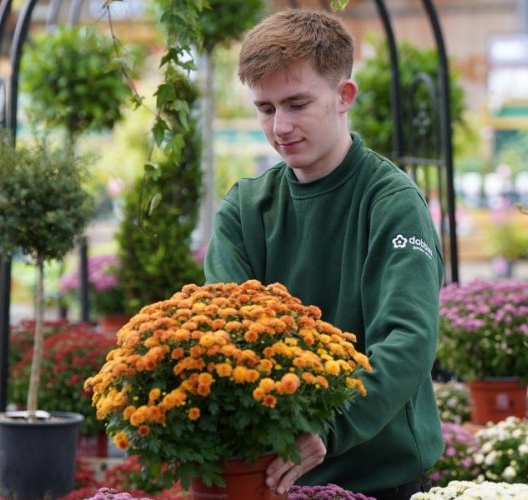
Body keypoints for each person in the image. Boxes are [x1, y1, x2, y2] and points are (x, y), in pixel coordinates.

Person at [203, 8, 444, 500]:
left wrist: (327, 427)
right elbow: (220, 336)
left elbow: (408, 339)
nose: (281, 126)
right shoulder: (246, 209)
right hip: (268, 475)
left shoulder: (391, 204)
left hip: (380, 478)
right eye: (266, 109)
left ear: (343, 96)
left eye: (296, 103)